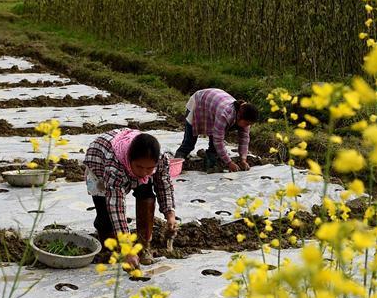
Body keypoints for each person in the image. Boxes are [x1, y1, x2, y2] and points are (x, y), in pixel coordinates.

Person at [84, 128, 177, 267]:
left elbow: (164, 185)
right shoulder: (114, 166)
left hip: (126, 165)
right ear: (130, 159)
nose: (144, 172)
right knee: (105, 216)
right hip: (100, 168)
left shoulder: (160, 159)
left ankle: (144, 245)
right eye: (139, 167)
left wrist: (170, 214)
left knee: (146, 194)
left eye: (150, 168)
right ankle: (110, 249)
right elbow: (116, 207)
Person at [174, 88, 259, 172]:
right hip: (199, 101)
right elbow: (218, 140)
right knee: (190, 141)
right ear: (239, 116)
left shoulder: (245, 116)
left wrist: (243, 159)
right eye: (247, 123)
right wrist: (229, 163)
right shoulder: (224, 114)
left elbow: (244, 139)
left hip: (214, 105)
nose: (248, 126)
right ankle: (178, 159)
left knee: (214, 148)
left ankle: (209, 161)